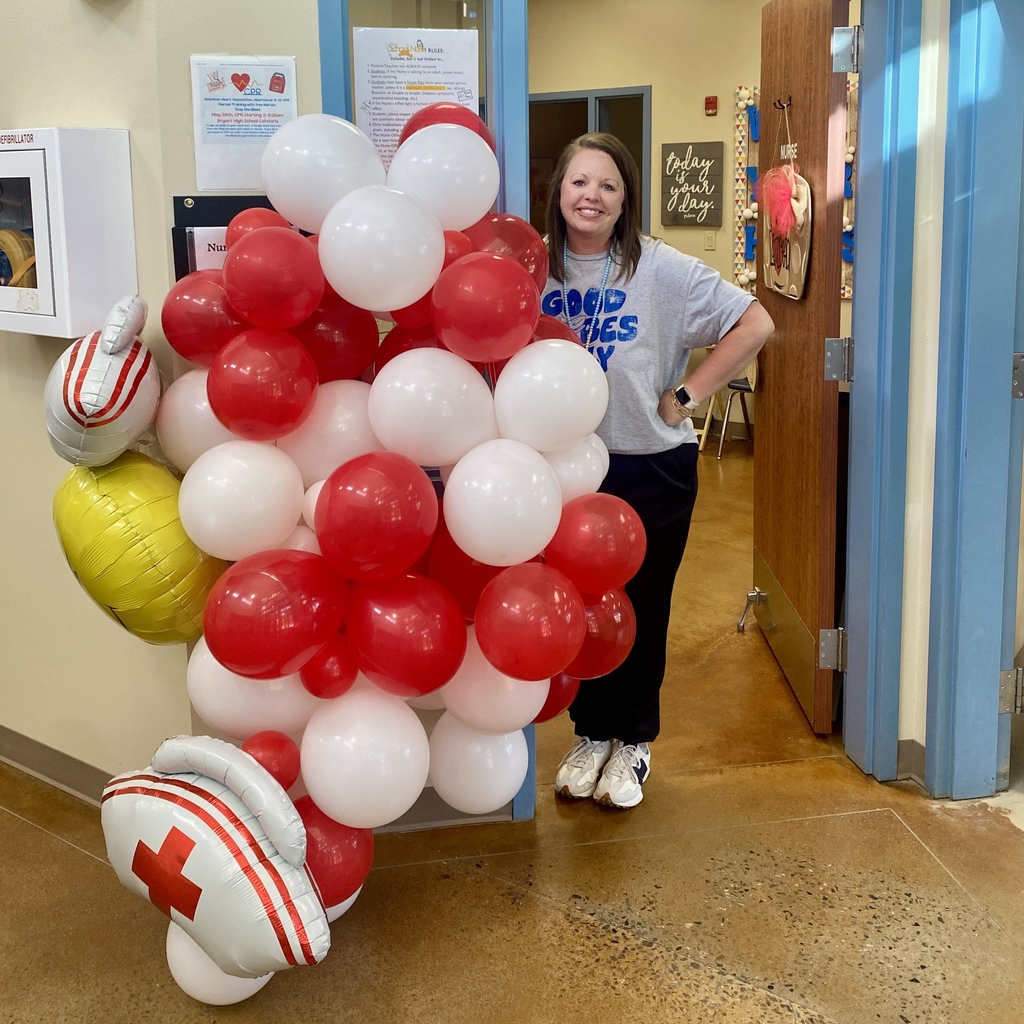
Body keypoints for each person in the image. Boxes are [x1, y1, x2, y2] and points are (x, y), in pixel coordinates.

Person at [542, 132, 773, 809]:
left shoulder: (659, 268)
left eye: (608, 185)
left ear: (625, 201)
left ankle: (634, 741)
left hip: (650, 469)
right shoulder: (536, 268)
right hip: (567, 475)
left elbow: (755, 323)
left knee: (644, 607)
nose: (591, 196)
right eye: (580, 181)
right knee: (581, 610)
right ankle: (591, 732)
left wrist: (688, 395)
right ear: (559, 191)